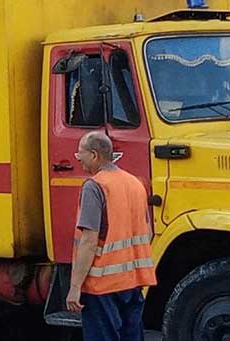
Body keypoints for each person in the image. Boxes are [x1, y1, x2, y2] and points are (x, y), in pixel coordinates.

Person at [66, 131, 156, 341]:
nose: (77, 159)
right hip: (132, 282)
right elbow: (148, 232)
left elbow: (89, 242)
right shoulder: (135, 183)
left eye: (80, 153)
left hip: (102, 286)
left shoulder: (95, 186)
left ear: (94, 155)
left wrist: (75, 287)